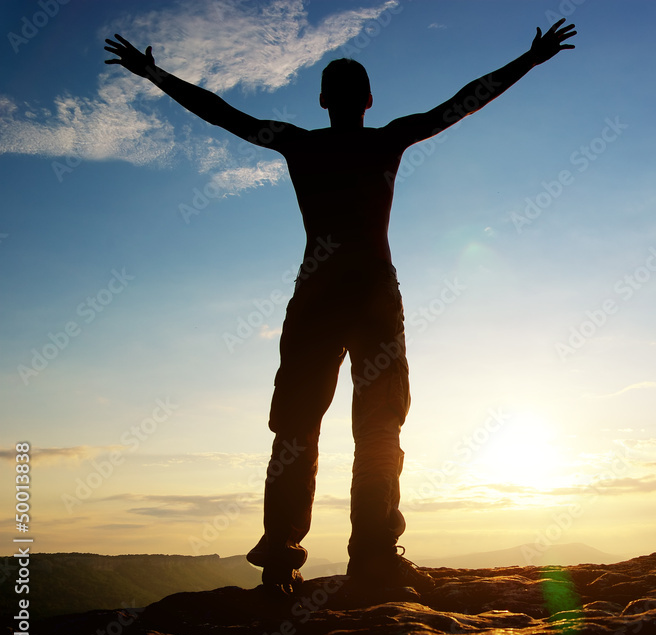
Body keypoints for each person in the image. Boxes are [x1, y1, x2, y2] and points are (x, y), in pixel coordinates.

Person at [105, 18, 576, 594]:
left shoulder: (299, 143)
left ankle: (281, 557)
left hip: (318, 293)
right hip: (373, 293)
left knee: (297, 429)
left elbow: (223, 113)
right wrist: (528, 60)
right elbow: (461, 104)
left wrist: (154, 74)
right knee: (379, 427)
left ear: (324, 100)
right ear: (369, 100)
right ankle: (373, 555)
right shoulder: (386, 138)